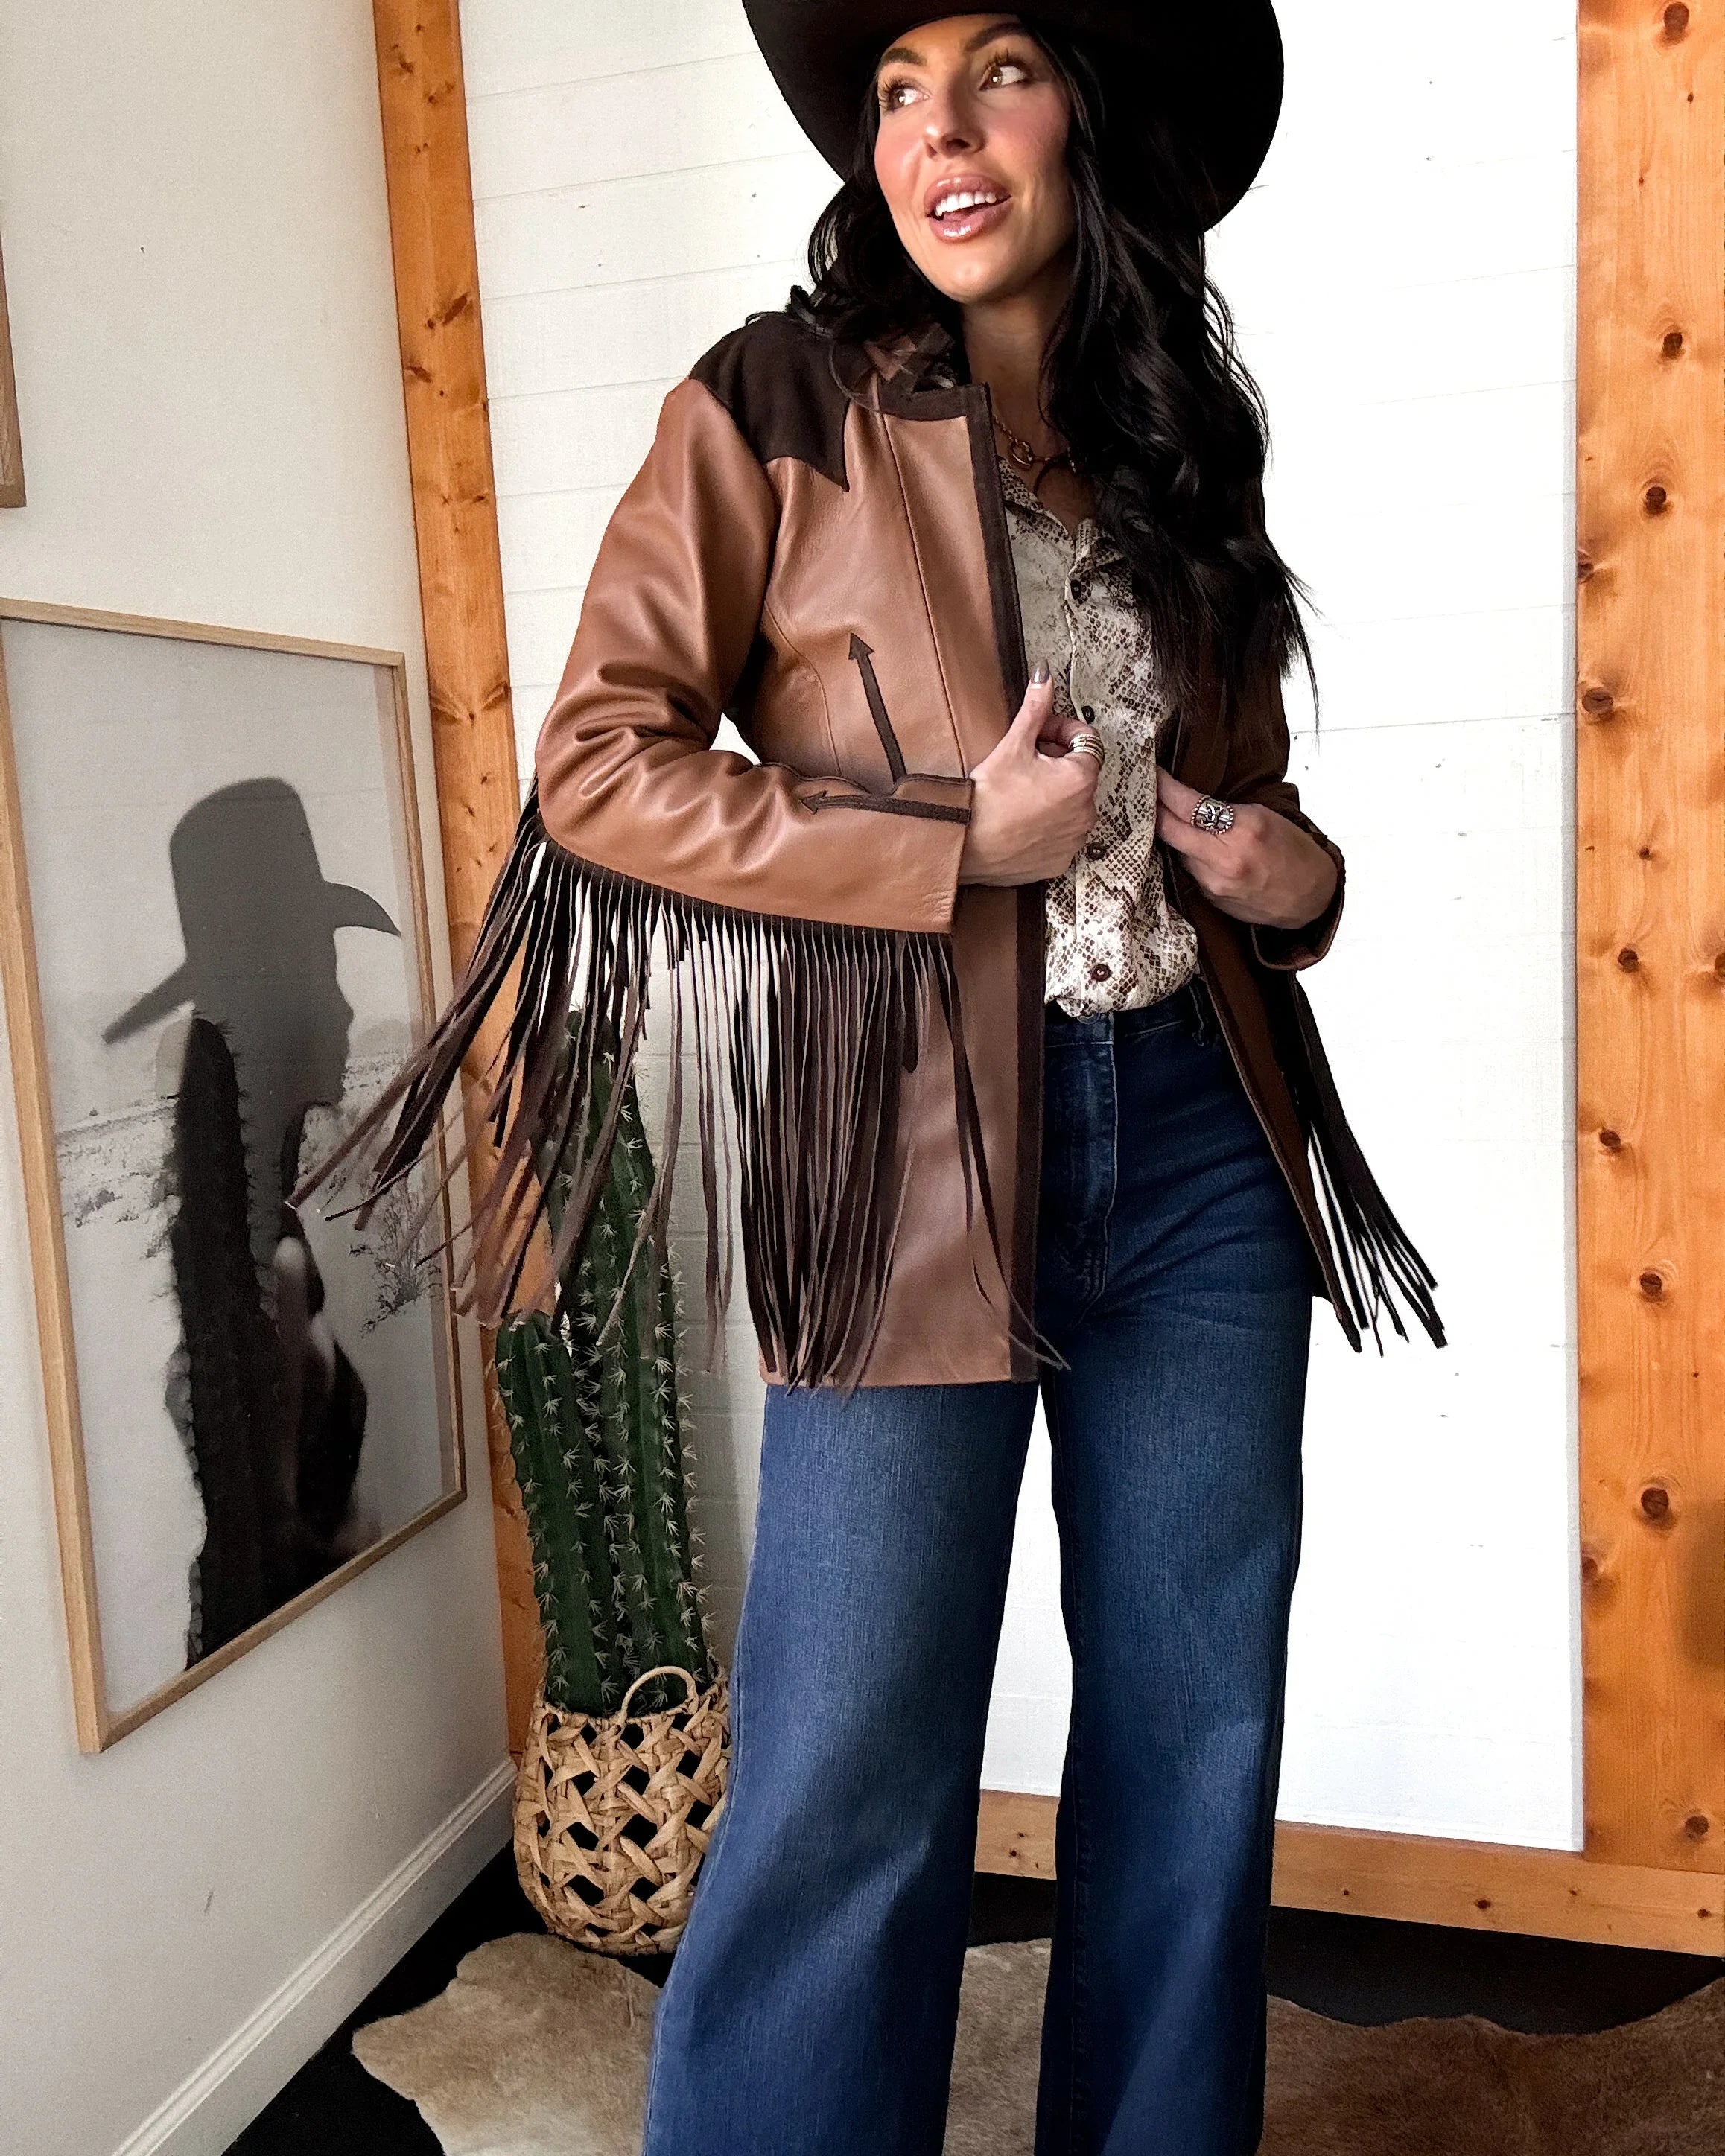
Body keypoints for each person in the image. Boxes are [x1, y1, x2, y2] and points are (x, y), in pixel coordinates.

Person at [302, 6, 1443, 2149]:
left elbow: (1246, 816)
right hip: (919, 1151)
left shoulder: (1174, 436)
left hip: (1201, 1142)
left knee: (1193, 1730)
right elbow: (599, 771)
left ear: (1078, 116)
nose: (939, 126)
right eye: (899, 84)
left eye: (997, 68)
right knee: (850, 1751)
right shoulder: (773, 405)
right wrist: (943, 850)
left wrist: (1295, 880)